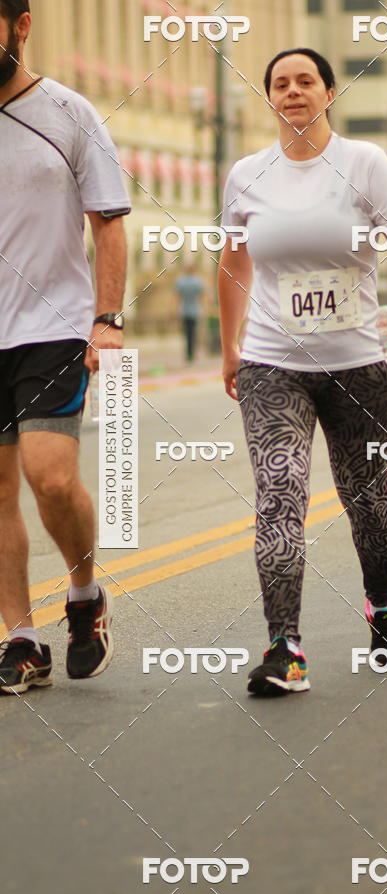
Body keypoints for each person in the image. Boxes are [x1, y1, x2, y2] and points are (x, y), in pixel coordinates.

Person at [218, 47, 387, 696]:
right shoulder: (247, 173)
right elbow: (232, 263)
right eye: (279, 83)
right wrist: (231, 349)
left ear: (329, 92)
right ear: (270, 98)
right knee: (279, 495)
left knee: (365, 499)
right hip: (272, 363)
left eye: (305, 80)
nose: (292, 91)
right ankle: (285, 648)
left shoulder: (364, 163)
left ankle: (383, 607)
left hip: (359, 363)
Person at [0, 0, 130, 694]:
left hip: (52, 327)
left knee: (50, 477)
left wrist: (106, 316)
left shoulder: (70, 113)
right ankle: (21, 638)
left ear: (19, 26)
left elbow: (108, 221)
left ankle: (84, 595)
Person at [175, 263, 205, 363]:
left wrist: (175, 309)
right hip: (195, 311)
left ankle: (188, 353)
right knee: (194, 333)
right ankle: (192, 353)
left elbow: (177, 297)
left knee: (187, 333)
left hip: (184, 311)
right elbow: (202, 296)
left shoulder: (181, 282)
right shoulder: (197, 282)